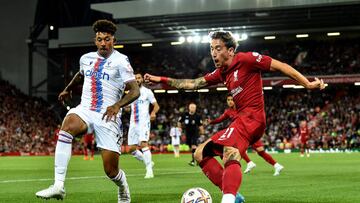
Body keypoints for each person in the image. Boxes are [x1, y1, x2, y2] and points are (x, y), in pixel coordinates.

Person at [144, 30, 325, 203]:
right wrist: (161, 80)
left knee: (230, 152)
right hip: (242, 120)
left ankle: (228, 199)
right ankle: (233, 195)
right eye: (211, 49)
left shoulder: (247, 59)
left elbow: (282, 66)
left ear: (230, 50)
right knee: (200, 153)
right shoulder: (221, 72)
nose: (213, 54)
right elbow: (192, 84)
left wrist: (307, 84)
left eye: (218, 48)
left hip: (253, 118)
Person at [35, 19, 140, 203]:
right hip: (86, 109)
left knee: (111, 171)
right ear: (95, 40)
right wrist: (67, 88)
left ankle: (123, 187)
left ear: (113, 40)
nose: (103, 43)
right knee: (67, 126)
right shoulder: (86, 58)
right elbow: (81, 74)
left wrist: (117, 106)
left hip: (108, 117)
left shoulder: (121, 61)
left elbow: (135, 90)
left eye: (107, 39)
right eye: (100, 39)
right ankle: (58, 185)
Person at [208, 94, 284, 176]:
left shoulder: (243, 108)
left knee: (260, 151)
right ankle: (252, 163)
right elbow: (220, 119)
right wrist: (211, 122)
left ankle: (275, 165)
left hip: (250, 132)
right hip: (241, 134)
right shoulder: (228, 111)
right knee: (237, 147)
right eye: (228, 100)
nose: (230, 102)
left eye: (231, 100)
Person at [128, 73, 160, 179]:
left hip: (143, 122)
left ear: (142, 79)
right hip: (133, 123)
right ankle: (149, 162)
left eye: (139, 78)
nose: (137, 79)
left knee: (143, 144)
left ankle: (149, 170)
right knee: (131, 149)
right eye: (135, 78)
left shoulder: (147, 92)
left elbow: (156, 106)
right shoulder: (130, 93)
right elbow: (128, 107)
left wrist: (153, 113)